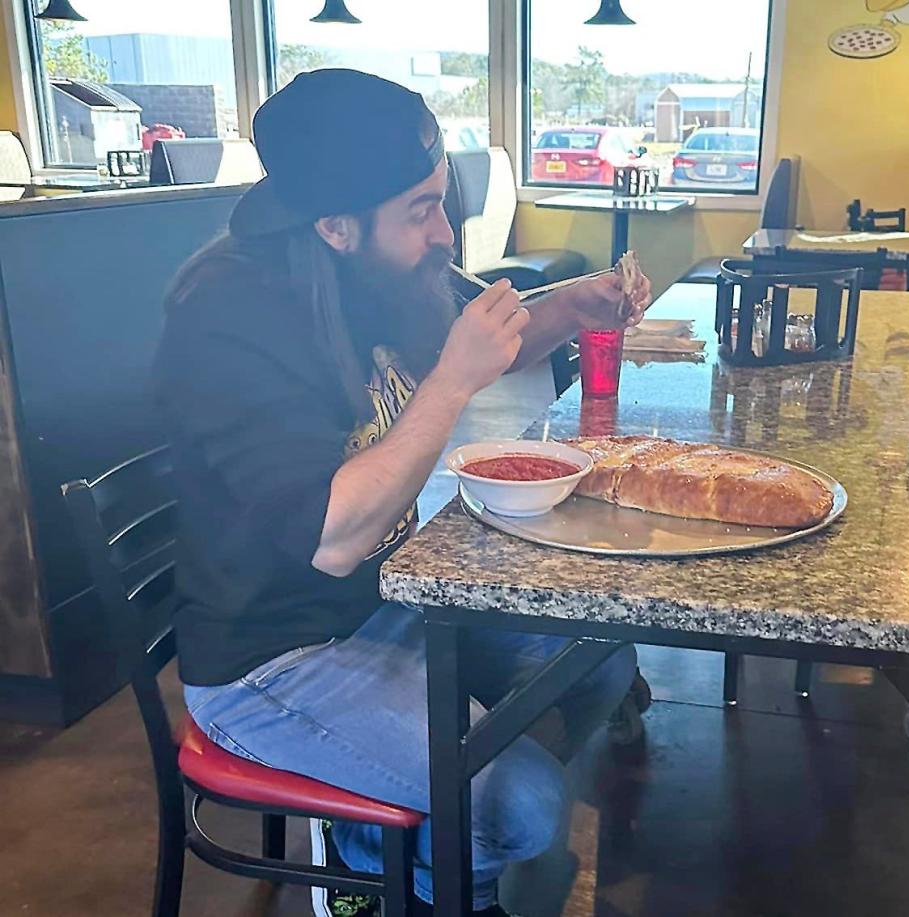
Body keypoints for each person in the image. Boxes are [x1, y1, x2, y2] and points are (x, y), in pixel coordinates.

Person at [155, 69, 648, 917]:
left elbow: (488, 329)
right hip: (268, 659)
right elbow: (334, 536)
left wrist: (573, 304)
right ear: (336, 226)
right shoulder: (231, 314)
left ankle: (395, 837)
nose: (445, 232)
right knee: (519, 804)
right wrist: (449, 384)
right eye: (422, 210)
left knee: (599, 656)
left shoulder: (373, 269)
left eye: (440, 200)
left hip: (379, 606)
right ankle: (409, 887)